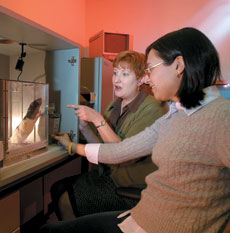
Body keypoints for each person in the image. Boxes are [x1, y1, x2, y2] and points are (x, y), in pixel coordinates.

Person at [40, 27, 230, 233]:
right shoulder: (174, 115)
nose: (147, 79)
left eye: (151, 69)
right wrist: (71, 146)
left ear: (178, 65)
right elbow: (121, 150)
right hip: (145, 216)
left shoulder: (221, 116)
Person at [50, 50, 166, 221]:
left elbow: (123, 154)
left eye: (125, 74)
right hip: (108, 175)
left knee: (66, 202)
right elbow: (102, 148)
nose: (117, 79)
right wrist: (85, 128)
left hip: (131, 185)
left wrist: (97, 119)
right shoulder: (114, 105)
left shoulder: (152, 108)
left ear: (141, 79)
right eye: (115, 73)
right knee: (57, 188)